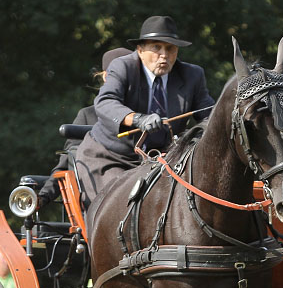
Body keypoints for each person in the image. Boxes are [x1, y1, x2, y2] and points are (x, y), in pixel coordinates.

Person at [72, 15, 215, 206]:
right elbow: (105, 102)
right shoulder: (122, 66)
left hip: (163, 162)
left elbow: (208, 116)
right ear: (140, 50)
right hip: (111, 157)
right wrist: (137, 119)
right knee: (123, 204)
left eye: (171, 48)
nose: (164, 54)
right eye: (156, 47)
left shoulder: (192, 75)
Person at [40, 47, 132, 202]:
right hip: (99, 198)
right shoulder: (88, 115)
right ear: (106, 76)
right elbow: (69, 161)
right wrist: (43, 196)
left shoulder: (147, 115)